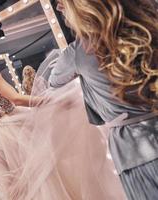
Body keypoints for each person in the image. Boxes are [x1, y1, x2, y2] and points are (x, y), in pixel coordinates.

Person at [0, 39, 126, 199]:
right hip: (16, 127)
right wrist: (50, 101)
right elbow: (16, 99)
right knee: (47, 173)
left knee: (26, 184)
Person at [47, 0, 158, 199]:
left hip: (134, 151)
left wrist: (81, 73)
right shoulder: (148, 25)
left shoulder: (78, 52)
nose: (58, 7)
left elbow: (53, 81)